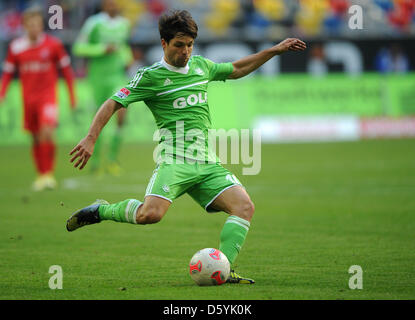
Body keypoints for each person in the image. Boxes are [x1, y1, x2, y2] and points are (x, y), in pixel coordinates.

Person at [66, 10, 306, 284]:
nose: (186, 51)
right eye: (179, 45)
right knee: (150, 215)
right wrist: (90, 138)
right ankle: (101, 210)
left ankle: (224, 269)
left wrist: (273, 51)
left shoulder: (202, 66)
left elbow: (237, 69)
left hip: (206, 163)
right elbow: (113, 103)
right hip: (175, 161)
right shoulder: (150, 77)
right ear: (164, 43)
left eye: (190, 44)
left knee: (244, 207)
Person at [0, 7, 76, 191]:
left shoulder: (53, 45)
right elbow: (8, 74)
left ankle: (48, 174)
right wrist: (2, 94)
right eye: (30, 24)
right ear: (25, 26)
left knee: (47, 131)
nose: (34, 28)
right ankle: (41, 174)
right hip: (28, 99)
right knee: (35, 137)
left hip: (48, 97)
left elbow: (66, 71)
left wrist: (72, 96)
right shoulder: (16, 47)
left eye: (37, 24)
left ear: (41, 25)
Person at [73, 0, 133, 176]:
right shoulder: (94, 23)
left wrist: (127, 57)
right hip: (98, 78)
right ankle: (96, 161)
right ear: (105, 4)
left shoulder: (124, 24)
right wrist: (101, 49)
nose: (114, 5)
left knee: (122, 113)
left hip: (117, 76)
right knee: (99, 118)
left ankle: (113, 159)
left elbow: (122, 46)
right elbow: (79, 48)